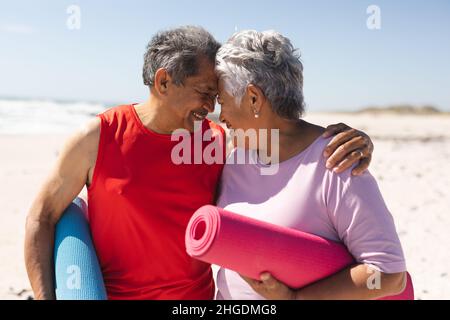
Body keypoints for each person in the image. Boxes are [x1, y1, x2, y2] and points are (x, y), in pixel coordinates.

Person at [25, 26, 374, 300]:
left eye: (216, 96)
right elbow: (42, 217)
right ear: (163, 81)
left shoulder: (219, 142)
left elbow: (286, 138)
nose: (211, 108)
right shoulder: (97, 138)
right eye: (204, 93)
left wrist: (351, 139)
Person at [214, 30, 407, 300]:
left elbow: (388, 274)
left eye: (222, 102)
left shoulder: (337, 164)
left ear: (254, 98)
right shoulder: (235, 158)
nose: (221, 116)